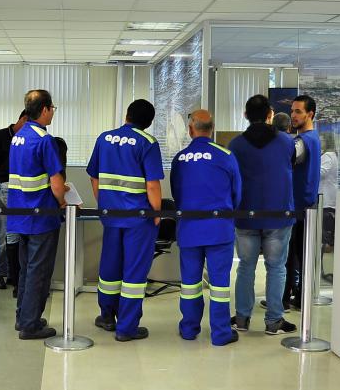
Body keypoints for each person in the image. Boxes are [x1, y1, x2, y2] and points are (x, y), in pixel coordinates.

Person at [86, 99, 163, 342]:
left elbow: (94, 177)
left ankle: (107, 317)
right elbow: (152, 185)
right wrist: (157, 213)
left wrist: (104, 202)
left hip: (111, 216)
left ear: (127, 115)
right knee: (134, 273)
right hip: (138, 219)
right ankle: (127, 328)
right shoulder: (148, 143)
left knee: (110, 268)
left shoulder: (104, 138)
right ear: (149, 122)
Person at [170, 110, 240, 346]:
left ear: (190, 129)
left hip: (189, 229)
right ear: (212, 129)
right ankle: (220, 334)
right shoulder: (226, 155)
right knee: (220, 285)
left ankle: (189, 329)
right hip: (219, 228)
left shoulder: (180, 159)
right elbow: (237, 193)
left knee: (190, 284)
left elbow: (177, 194)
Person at [228, 95, 297, 335]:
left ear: (245, 115)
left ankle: (243, 319)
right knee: (276, 267)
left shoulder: (235, 145)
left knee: (245, 266)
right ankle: (273, 321)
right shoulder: (287, 142)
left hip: (246, 214)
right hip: (278, 214)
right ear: (270, 114)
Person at [8, 89, 66, 340]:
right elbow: (56, 183)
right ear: (44, 109)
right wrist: (63, 201)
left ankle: (24, 317)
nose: (53, 112)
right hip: (41, 215)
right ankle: (31, 324)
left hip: (20, 214)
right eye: (52, 108)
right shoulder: (44, 140)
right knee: (38, 271)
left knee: (26, 269)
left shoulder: (18, 136)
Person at [283, 95, 321, 311]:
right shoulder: (313, 138)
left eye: (298, 111)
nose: (293, 115)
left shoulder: (302, 142)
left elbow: (286, 160)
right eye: (292, 111)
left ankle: (286, 298)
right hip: (305, 205)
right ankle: (297, 296)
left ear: (310, 114)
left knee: (291, 255)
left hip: (298, 206)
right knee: (298, 254)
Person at [0, 110, 27, 290]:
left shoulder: (27, 139)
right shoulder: (0, 136)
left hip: (18, 191)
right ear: (23, 119)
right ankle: (0, 273)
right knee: (4, 234)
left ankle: (11, 273)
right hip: (4, 189)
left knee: (13, 234)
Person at [320, 132, 338, 255]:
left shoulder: (327, 156)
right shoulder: (334, 155)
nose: (320, 142)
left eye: (321, 140)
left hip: (325, 200)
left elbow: (322, 172)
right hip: (330, 199)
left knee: (324, 236)